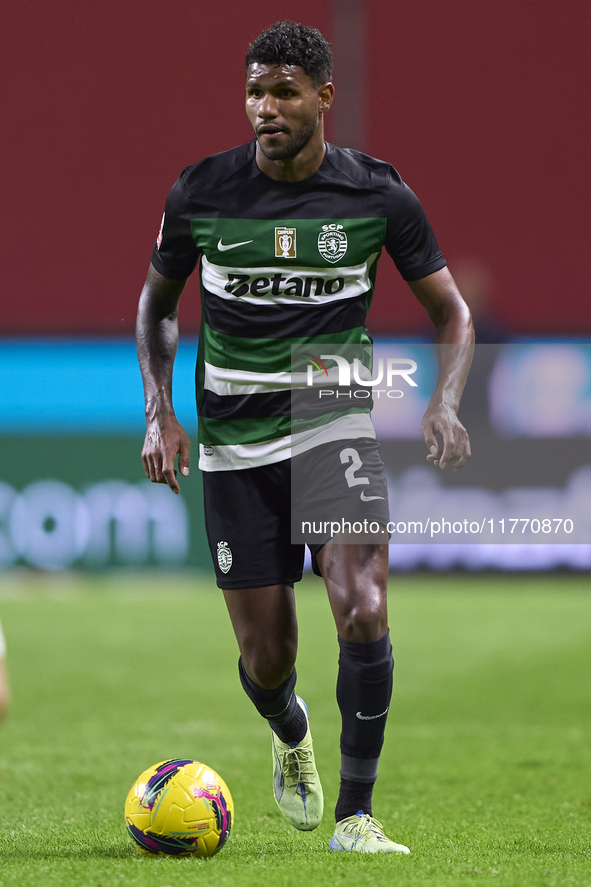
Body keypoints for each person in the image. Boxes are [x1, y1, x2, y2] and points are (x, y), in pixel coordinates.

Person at [137, 20, 473, 854]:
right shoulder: (201, 192)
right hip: (234, 442)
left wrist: (446, 401)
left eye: (283, 90)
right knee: (266, 657)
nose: (265, 107)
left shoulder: (377, 194)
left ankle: (356, 816)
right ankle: (290, 733)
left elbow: (452, 312)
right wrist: (159, 410)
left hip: (332, 422)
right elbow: (155, 307)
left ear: (324, 97)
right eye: (255, 90)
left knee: (361, 604)